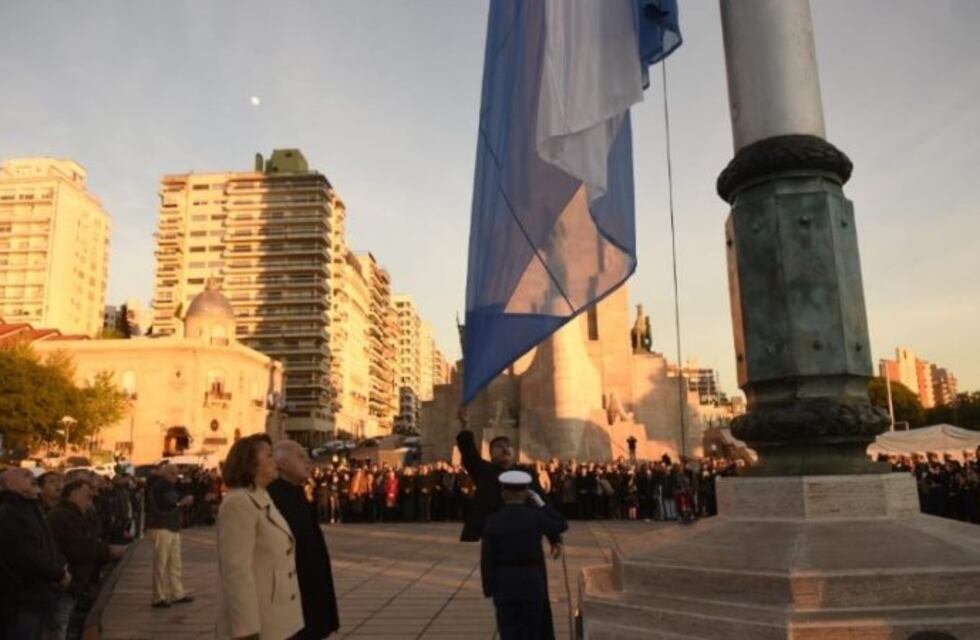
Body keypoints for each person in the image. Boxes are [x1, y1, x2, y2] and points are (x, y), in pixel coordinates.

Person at [216, 434, 304, 640]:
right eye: (269, 455)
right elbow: (236, 571)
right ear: (250, 462)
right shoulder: (238, 503)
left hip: (278, 618)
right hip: (260, 625)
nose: (276, 461)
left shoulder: (261, 496)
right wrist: (247, 630)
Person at [455, 412, 562, 560]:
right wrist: (465, 426)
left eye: (509, 446)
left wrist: (554, 538)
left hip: (526, 534)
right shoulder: (485, 471)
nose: (505, 449)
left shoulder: (527, 474)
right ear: (491, 453)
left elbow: (542, 503)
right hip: (497, 535)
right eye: (499, 446)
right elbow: (469, 452)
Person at [481, 470, 568, 640]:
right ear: (526, 494)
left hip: (504, 583)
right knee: (532, 631)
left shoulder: (492, 520)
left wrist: (489, 588)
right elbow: (561, 524)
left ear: (503, 493)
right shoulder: (535, 516)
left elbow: (487, 558)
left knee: (508, 631)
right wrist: (541, 503)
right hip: (531, 581)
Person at [268, 440, 340, 639]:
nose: (308, 461)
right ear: (282, 463)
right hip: (293, 599)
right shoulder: (273, 498)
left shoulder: (297, 493)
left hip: (311, 595)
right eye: (300, 456)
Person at [45, 480, 127, 639]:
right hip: (66, 582)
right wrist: (109, 551)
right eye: (87, 495)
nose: (90, 500)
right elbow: (79, 548)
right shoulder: (62, 516)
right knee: (61, 626)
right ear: (74, 493)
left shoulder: (77, 514)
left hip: (78, 581)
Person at [0, 467, 71, 640]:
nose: (32, 478)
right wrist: (58, 574)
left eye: (32, 475)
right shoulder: (11, 513)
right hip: (22, 599)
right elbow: (27, 556)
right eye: (25, 475)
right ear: (9, 484)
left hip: (38, 595)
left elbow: (48, 545)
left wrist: (60, 567)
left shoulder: (30, 509)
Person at [145, 463, 194, 608]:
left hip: (173, 528)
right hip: (160, 527)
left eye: (177, 473)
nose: (176, 476)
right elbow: (160, 509)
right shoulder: (157, 488)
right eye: (173, 473)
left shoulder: (173, 487)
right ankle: (158, 597)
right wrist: (180, 504)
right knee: (161, 564)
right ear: (165, 474)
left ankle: (177, 593)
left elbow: (175, 503)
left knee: (175, 563)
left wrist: (183, 503)